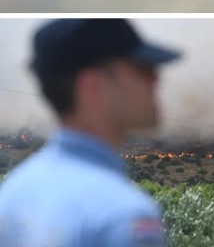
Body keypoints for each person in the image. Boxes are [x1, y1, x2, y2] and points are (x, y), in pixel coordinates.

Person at [0, 19, 181, 246]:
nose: (156, 78)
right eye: (142, 69)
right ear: (92, 86)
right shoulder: (123, 216)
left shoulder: (13, 194)